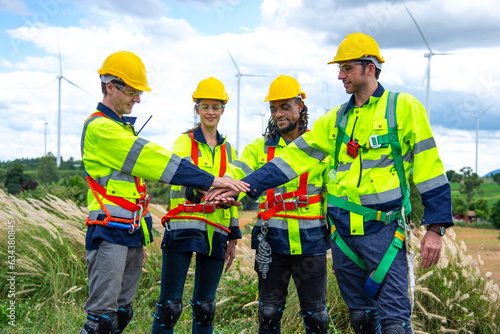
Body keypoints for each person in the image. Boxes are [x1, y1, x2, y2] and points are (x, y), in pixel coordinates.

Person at [207, 33, 453, 334]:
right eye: (340, 69)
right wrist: (241, 186)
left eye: (346, 68)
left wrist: (436, 228)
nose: (340, 75)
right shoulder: (335, 119)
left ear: (369, 68)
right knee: (362, 319)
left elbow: (430, 166)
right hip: (343, 236)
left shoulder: (402, 108)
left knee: (393, 323)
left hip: (385, 233)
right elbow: (291, 160)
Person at [80, 52, 248, 334]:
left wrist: (141, 237)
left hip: (129, 232)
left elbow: (135, 190)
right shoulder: (101, 128)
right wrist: (211, 181)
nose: (138, 99)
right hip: (108, 231)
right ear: (110, 86)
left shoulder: (122, 128)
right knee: (102, 322)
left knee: (120, 316)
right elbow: (156, 160)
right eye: (132, 91)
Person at [226, 75, 330, 334]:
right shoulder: (257, 150)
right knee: (269, 314)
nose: (278, 114)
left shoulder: (321, 148)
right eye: (273, 109)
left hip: (312, 243)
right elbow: (235, 173)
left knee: (317, 318)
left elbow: (336, 193)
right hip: (270, 244)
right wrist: (221, 186)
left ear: (300, 107)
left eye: (285, 107)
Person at [151, 77, 241, 334]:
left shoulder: (230, 151)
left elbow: (233, 193)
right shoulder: (184, 143)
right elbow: (183, 174)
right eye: (205, 106)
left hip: (217, 231)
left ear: (223, 109)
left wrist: (233, 236)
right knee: (169, 307)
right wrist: (211, 189)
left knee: (205, 308)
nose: (210, 112)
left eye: (215, 107)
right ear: (197, 109)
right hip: (183, 228)